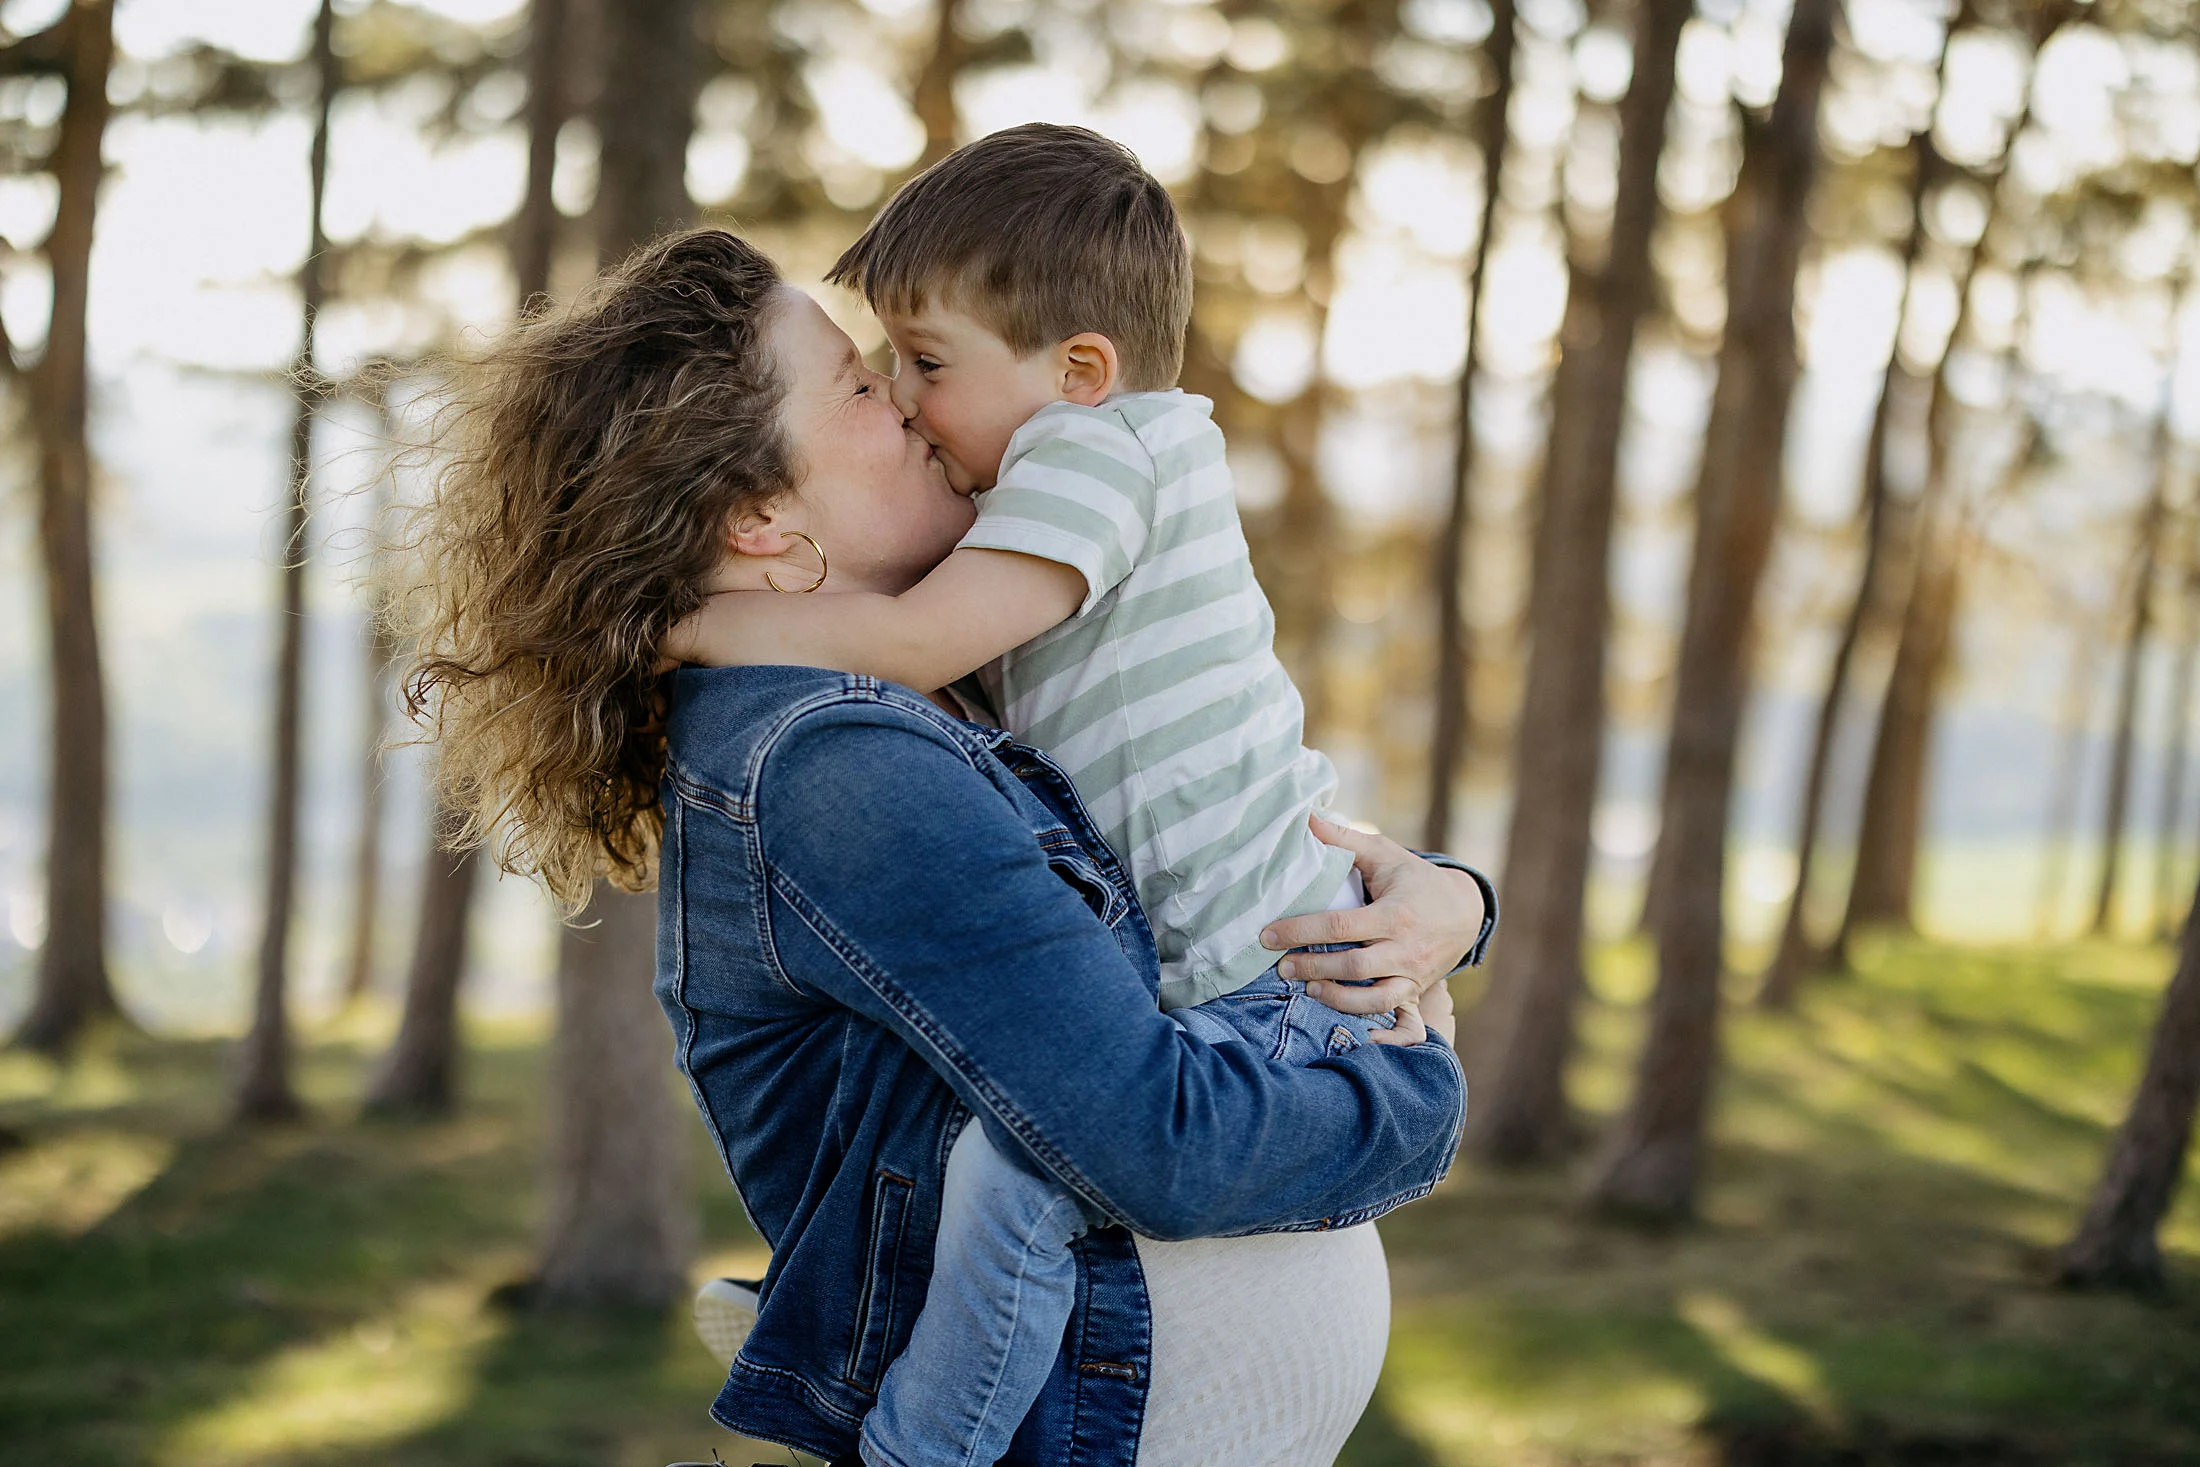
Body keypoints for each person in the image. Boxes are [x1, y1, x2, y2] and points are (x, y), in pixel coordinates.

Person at [394, 226, 1493, 1467]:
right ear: (760, 514)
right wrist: (1416, 1092)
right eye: (861, 386)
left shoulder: (942, 693)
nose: (914, 403)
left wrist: (1442, 901)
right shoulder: (830, 761)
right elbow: (1152, 1142)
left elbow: (1222, 836)